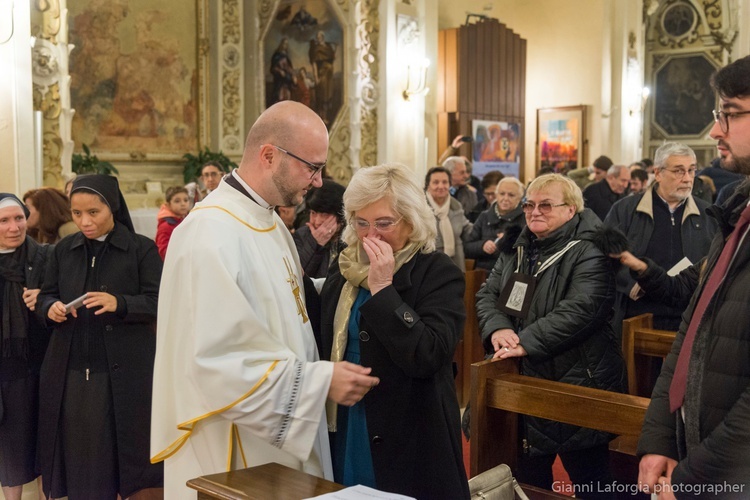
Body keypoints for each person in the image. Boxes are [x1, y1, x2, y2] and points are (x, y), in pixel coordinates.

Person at [150, 101, 379, 499]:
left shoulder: (268, 220)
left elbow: (287, 304)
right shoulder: (208, 234)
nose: (319, 181)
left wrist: (352, 288)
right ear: (269, 155)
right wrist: (319, 380)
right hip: (233, 448)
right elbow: (213, 362)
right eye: (313, 166)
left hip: (278, 434)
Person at [318, 164, 469, 499]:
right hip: (345, 414)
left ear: (411, 220)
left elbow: (429, 354)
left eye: (384, 223)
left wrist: (384, 290)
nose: (371, 235)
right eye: (361, 222)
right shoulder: (343, 268)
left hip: (410, 424)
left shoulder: (438, 273)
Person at [637, 54, 750, 498]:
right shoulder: (737, 206)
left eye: (729, 113)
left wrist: (693, 480)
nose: (715, 130)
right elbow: (695, 325)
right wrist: (661, 434)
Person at [476, 174, 625, 496]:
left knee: (591, 481)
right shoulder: (517, 246)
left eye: (546, 205)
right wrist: (499, 328)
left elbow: (583, 308)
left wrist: (524, 342)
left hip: (577, 380)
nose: (534, 212)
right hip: (521, 378)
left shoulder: (589, 250)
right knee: (529, 480)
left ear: (571, 210)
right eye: (529, 204)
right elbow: (488, 294)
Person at [37, 175, 164, 499]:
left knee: (123, 449)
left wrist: (119, 303)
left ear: (113, 206)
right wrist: (50, 308)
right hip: (73, 366)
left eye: (93, 212)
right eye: (77, 213)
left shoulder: (140, 249)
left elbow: (159, 300)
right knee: (81, 451)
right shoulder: (65, 249)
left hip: (125, 369)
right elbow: (46, 294)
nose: (85, 221)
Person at [604, 142, 718, 332]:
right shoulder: (626, 210)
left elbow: (715, 260)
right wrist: (633, 285)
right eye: (679, 171)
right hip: (638, 312)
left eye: (691, 170)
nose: (688, 179)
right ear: (658, 173)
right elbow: (607, 254)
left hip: (690, 314)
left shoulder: (709, 214)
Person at [0, 194, 50, 500]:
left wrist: (45, 299)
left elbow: (62, 299)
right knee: (10, 447)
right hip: (6, 371)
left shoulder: (45, 257)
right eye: (4, 221)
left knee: (46, 443)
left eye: (19, 218)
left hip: (41, 363)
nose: (14, 227)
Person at [464, 176, 525, 270]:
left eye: (511, 195)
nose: (505, 198)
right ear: (496, 195)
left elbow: (530, 251)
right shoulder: (484, 216)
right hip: (484, 273)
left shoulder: (526, 218)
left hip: (512, 272)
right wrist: (482, 246)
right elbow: (467, 247)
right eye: (502, 194)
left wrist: (508, 242)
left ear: (519, 198)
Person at [293, 179, 346, 279]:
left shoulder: (350, 238)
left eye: (324, 215)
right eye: (313, 213)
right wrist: (315, 243)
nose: (317, 221)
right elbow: (297, 277)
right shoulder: (301, 235)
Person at [425, 166, 472, 271]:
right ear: (428, 186)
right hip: (429, 265)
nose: (441, 186)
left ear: (449, 185)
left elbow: (468, 230)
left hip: (455, 264)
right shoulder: (420, 208)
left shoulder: (456, 206)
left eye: (445, 182)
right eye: (436, 182)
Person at [155, 186, 190, 260]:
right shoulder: (166, 226)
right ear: (168, 205)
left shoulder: (187, 220)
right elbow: (162, 251)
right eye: (177, 201)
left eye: (186, 200)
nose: (183, 204)